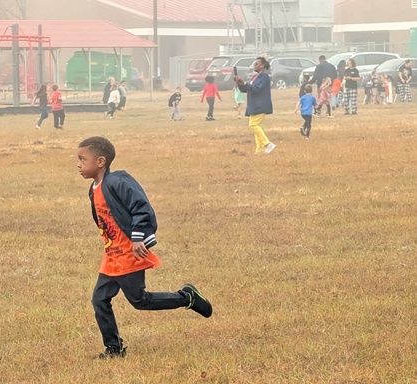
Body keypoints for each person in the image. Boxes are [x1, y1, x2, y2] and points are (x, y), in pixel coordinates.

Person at [77, 136, 212, 359]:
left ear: (100, 161)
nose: (79, 165)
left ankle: (187, 297)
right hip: (112, 255)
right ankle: (114, 349)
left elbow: (141, 207)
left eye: (83, 159)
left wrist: (139, 237)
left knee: (140, 301)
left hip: (128, 253)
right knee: (100, 300)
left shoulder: (118, 182)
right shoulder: (94, 189)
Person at [235, 56, 275, 155]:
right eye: (254, 64)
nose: (254, 65)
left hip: (260, 105)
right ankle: (259, 150)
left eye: (257, 64)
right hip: (254, 105)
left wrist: (245, 83)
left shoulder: (264, 77)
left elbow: (256, 88)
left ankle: (267, 144)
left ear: (263, 66)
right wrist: (240, 84)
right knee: (257, 127)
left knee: (253, 125)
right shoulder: (255, 77)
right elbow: (247, 89)